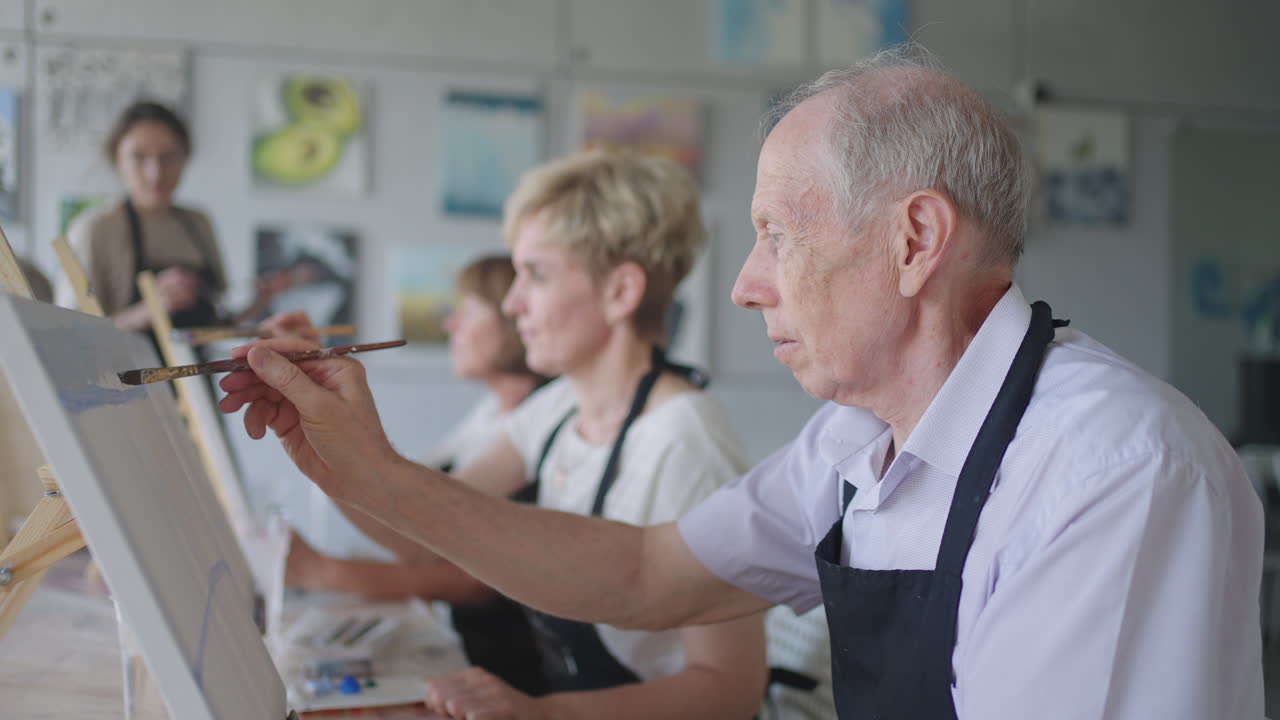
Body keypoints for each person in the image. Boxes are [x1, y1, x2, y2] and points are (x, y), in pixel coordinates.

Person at [220, 47, 1265, 720]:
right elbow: (641, 575)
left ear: (911, 241)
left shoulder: (1110, 468)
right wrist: (368, 474)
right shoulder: (855, 444)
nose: (743, 285)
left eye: (773, 234)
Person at [248, 150, 769, 719]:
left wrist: (542, 714)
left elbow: (729, 691)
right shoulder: (556, 408)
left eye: (536, 275)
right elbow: (424, 532)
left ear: (622, 292)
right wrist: (321, 445)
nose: (513, 303)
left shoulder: (684, 440)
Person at [278, 254, 550, 696]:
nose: (451, 324)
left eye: (467, 310)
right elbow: (407, 516)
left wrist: (328, 573)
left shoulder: (539, 419)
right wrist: (323, 440)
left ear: (514, 319)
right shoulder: (492, 415)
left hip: (512, 679)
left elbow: (474, 578)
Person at [54, 101, 233, 332]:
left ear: (184, 158)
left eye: (168, 157)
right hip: (125, 368)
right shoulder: (94, 228)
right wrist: (151, 309)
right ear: (117, 159)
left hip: (203, 368)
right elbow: (69, 332)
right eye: (139, 157)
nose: (155, 173)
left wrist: (262, 299)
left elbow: (217, 323)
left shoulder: (199, 223)